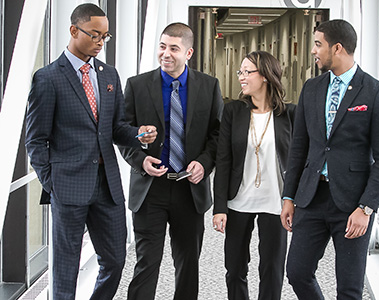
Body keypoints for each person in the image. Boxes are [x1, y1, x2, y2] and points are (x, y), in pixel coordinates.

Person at [25, 4, 157, 300]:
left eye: (105, 37)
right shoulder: (48, 78)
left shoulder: (108, 75)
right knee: (66, 268)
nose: (100, 42)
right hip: (67, 185)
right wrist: (52, 182)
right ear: (74, 30)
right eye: (95, 35)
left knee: (115, 259)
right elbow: (35, 139)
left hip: (107, 184)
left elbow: (116, 128)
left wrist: (138, 134)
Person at [280, 19, 379, 300]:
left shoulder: (376, 92)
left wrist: (366, 208)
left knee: (350, 288)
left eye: (318, 44)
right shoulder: (312, 88)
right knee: (297, 273)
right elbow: (299, 147)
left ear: (338, 48)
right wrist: (288, 196)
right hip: (311, 197)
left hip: (352, 203)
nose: (313, 51)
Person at [120, 22, 223, 300]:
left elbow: (217, 135)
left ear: (188, 53)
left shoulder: (209, 86)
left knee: (188, 264)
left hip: (189, 188)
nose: (166, 54)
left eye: (174, 48)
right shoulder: (137, 85)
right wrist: (140, 161)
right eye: (162, 46)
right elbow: (123, 134)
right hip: (150, 188)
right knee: (146, 264)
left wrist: (204, 162)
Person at [212, 50, 295, 300]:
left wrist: (294, 199)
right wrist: (219, 207)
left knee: (272, 269)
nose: (241, 77)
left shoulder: (290, 114)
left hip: (275, 203)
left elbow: (300, 160)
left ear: (266, 76)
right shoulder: (233, 111)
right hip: (239, 201)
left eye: (247, 72)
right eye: (241, 71)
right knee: (235, 268)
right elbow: (223, 161)